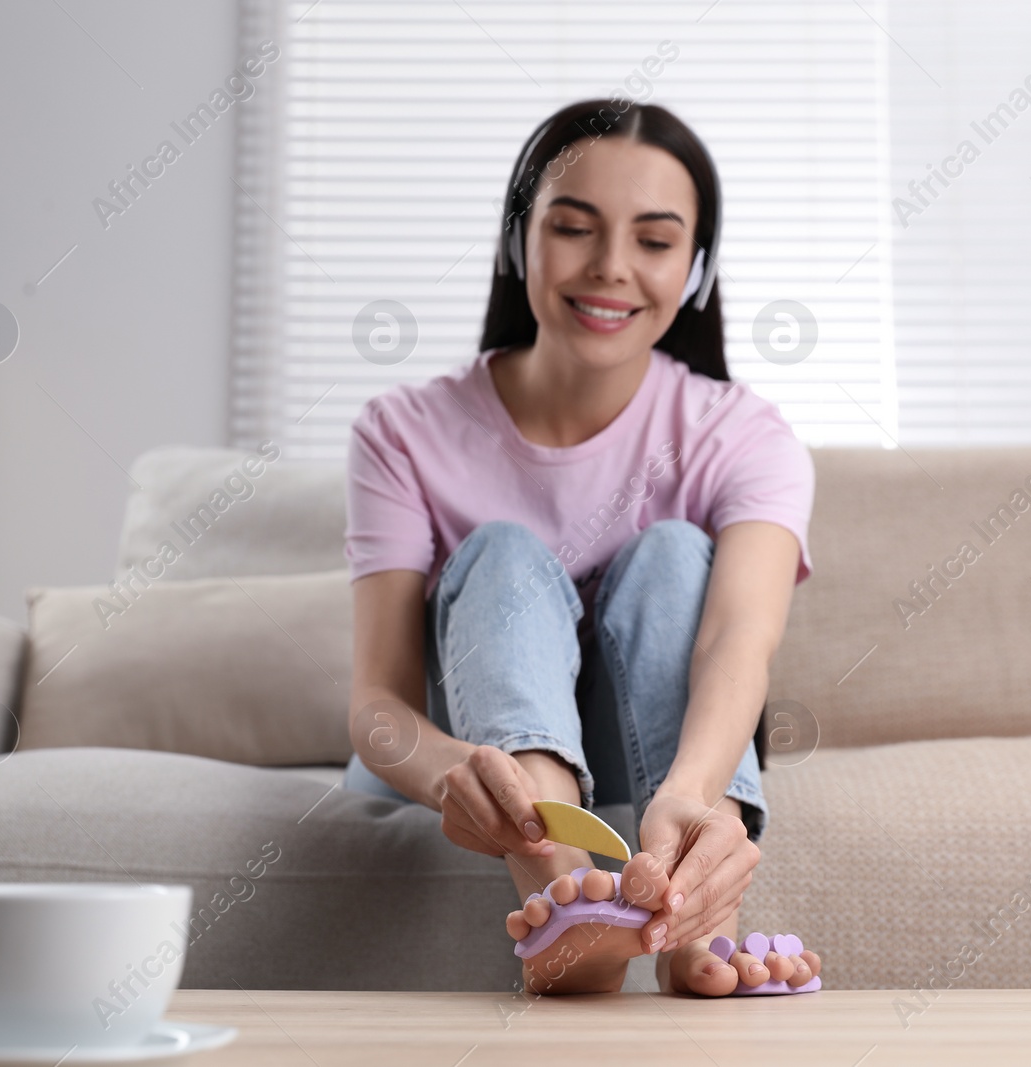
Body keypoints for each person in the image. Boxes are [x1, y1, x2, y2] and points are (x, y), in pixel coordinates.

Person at [342, 98, 821, 996]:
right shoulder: (403, 431)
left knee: (677, 553)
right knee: (504, 554)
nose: (610, 269)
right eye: (573, 227)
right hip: (480, 747)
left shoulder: (742, 434)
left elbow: (735, 643)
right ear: (518, 239)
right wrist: (461, 772)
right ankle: (563, 892)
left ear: (696, 267)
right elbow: (377, 705)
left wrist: (689, 795)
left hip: (652, 740)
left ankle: (691, 922)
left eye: (654, 240)